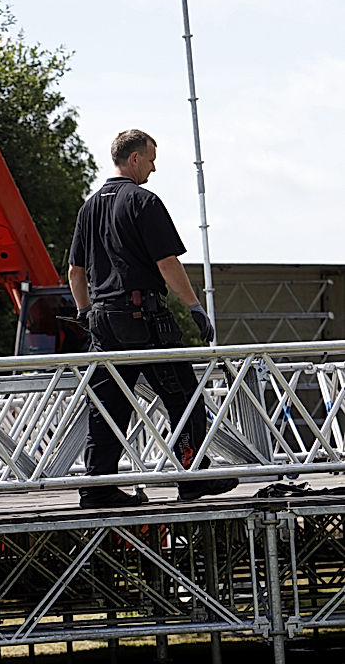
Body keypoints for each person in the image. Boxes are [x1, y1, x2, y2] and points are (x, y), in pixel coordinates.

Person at [68, 128, 238, 509]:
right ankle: (191, 475)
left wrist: (84, 313)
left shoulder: (89, 207)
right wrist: (194, 306)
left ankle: (98, 486)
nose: (154, 167)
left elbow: (75, 273)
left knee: (106, 402)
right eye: (151, 159)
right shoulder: (143, 201)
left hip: (103, 320)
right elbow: (167, 263)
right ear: (134, 160)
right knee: (182, 394)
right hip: (143, 317)